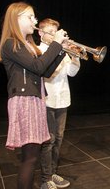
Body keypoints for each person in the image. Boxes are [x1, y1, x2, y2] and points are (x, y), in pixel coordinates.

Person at [0, 2, 68, 189]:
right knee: (30, 158)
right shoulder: (11, 43)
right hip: (24, 100)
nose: (34, 20)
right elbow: (38, 66)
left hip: (34, 100)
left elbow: (44, 71)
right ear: (16, 18)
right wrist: (55, 43)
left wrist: (61, 50)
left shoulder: (27, 45)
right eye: (30, 17)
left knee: (32, 157)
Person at [38, 18, 81, 189]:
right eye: (50, 32)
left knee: (59, 139)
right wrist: (60, 50)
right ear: (40, 33)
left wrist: (75, 55)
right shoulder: (38, 50)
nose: (54, 35)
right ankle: (45, 178)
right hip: (47, 100)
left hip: (63, 99)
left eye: (55, 32)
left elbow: (72, 72)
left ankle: (53, 172)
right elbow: (48, 73)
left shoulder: (61, 51)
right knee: (49, 141)